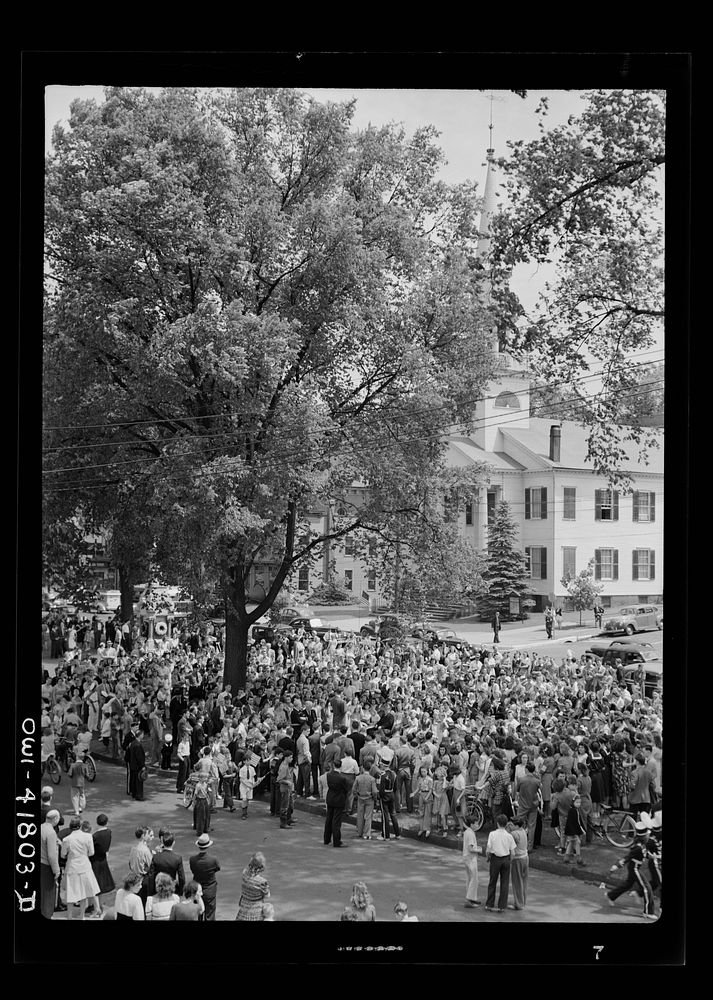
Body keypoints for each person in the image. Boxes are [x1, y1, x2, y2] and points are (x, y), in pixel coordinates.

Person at [605, 821, 656, 918]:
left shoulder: (643, 845)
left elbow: (645, 853)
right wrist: (616, 866)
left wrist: (651, 856)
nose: (648, 836)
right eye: (647, 835)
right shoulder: (637, 847)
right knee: (647, 887)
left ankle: (611, 895)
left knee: (628, 884)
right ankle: (648, 912)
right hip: (635, 868)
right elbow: (627, 858)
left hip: (636, 867)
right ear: (644, 837)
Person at [61, 816, 103, 920]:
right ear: (80, 826)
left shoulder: (66, 839)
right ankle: (81, 916)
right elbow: (91, 852)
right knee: (84, 892)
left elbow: (63, 854)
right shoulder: (88, 837)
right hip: (85, 865)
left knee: (71, 892)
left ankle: (69, 916)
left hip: (72, 866)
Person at [484, 814, 516, 913]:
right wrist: (509, 860)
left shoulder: (492, 834)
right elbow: (513, 852)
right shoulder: (509, 836)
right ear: (506, 824)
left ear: (497, 823)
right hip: (506, 858)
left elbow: (488, 849)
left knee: (492, 881)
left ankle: (489, 904)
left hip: (495, 858)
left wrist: (488, 857)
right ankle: (502, 905)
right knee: (505, 882)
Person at [189, 834, 221, 921]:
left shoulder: (192, 859)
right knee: (210, 913)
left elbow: (192, 870)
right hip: (210, 888)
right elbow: (218, 868)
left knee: (197, 912)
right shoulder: (213, 859)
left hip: (196, 888)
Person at [148, 830, 185, 897]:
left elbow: (151, 876)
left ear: (163, 842)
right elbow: (181, 877)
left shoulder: (156, 857)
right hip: (172, 888)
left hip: (158, 889)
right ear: (173, 843)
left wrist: (151, 892)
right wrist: (180, 891)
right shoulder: (177, 858)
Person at [236, 852, 271, 920]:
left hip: (244, 905)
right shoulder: (262, 881)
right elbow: (267, 896)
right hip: (256, 909)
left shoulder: (244, 873)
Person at [40, 809, 61, 919]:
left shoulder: (41, 827)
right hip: (47, 866)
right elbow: (52, 855)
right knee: (48, 895)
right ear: (55, 819)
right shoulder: (51, 832)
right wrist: (56, 871)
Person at [90, 813, 115, 905]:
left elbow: (91, 849)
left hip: (95, 860)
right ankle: (100, 904)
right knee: (101, 884)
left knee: (95, 883)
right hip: (103, 859)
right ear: (106, 822)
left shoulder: (95, 836)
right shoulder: (109, 832)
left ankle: (95, 906)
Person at [515, 762, 541, 850]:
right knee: (532, 826)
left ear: (526, 769)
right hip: (533, 805)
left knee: (518, 824)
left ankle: (519, 843)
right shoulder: (537, 781)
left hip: (522, 804)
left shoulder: (521, 780)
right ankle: (529, 846)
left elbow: (517, 790)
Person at [324, 758, 350, 847]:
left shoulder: (329, 775)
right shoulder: (342, 778)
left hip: (330, 798)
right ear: (341, 766)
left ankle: (326, 839)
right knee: (336, 821)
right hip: (339, 799)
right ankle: (336, 841)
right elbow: (346, 789)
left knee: (329, 819)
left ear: (333, 766)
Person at [353, 763, 379, 840]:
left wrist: (356, 795)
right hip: (369, 798)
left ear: (363, 768)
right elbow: (374, 791)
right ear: (370, 769)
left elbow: (353, 789)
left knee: (360, 815)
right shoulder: (372, 779)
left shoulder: (358, 778)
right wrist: (375, 798)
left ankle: (359, 832)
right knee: (368, 816)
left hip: (360, 798)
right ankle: (367, 833)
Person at [508, 817, 529, 910]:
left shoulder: (514, 833)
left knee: (517, 882)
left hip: (518, 859)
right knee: (523, 881)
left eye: (512, 824)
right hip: (525, 858)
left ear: (516, 825)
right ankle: (523, 901)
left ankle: (519, 904)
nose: (510, 825)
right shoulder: (523, 831)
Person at [462, 813, 482, 908]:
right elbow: (470, 848)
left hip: (466, 857)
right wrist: (479, 849)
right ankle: (469, 899)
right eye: (476, 823)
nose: (477, 825)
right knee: (474, 879)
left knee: (470, 878)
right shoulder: (470, 833)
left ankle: (471, 898)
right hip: (470, 858)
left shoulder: (467, 832)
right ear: (472, 824)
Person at [412, 764, 434, 839]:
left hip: (427, 795)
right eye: (421, 771)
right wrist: (414, 793)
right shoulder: (419, 779)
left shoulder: (430, 779)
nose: (423, 773)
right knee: (421, 812)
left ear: (427, 771)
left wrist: (427, 798)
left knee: (427, 813)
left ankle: (427, 828)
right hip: (421, 795)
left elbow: (431, 790)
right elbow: (418, 788)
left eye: (424, 771)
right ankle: (421, 828)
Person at [277, 749, 296, 829]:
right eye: (290, 757)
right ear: (286, 758)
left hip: (288, 789)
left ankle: (288, 819)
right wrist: (288, 782)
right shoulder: (284, 767)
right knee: (284, 806)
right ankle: (283, 822)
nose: (291, 759)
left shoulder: (286, 765)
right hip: (285, 789)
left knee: (290, 804)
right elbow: (279, 779)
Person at [68, 752, 87, 817]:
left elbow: (70, 774)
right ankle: (81, 807)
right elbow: (87, 775)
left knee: (74, 797)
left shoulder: (72, 765)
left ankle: (76, 811)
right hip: (82, 783)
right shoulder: (84, 765)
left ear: (77, 757)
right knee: (82, 795)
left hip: (74, 783)